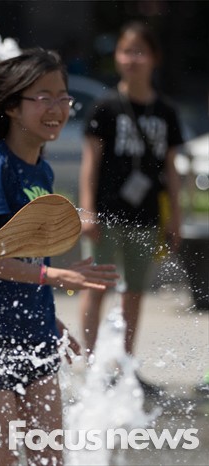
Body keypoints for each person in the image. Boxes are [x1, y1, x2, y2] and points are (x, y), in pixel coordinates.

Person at [0, 49, 118, 465]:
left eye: (63, 97)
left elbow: (28, 259)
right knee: (1, 459)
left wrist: (53, 322)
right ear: (13, 106)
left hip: (33, 333)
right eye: (44, 97)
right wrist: (56, 276)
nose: (57, 108)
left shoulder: (41, 172)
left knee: (49, 457)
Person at [78, 21, 184, 385]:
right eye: (126, 51)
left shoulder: (166, 111)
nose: (132, 59)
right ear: (117, 57)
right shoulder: (105, 107)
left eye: (140, 51)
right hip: (105, 214)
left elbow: (171, 170)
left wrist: (175, 218)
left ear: (154, 58)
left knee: (134, 293)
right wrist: (87, 211)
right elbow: (90, 164)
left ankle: (126, 368)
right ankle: (92, 368)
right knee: (96, 287)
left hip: (146, 216)